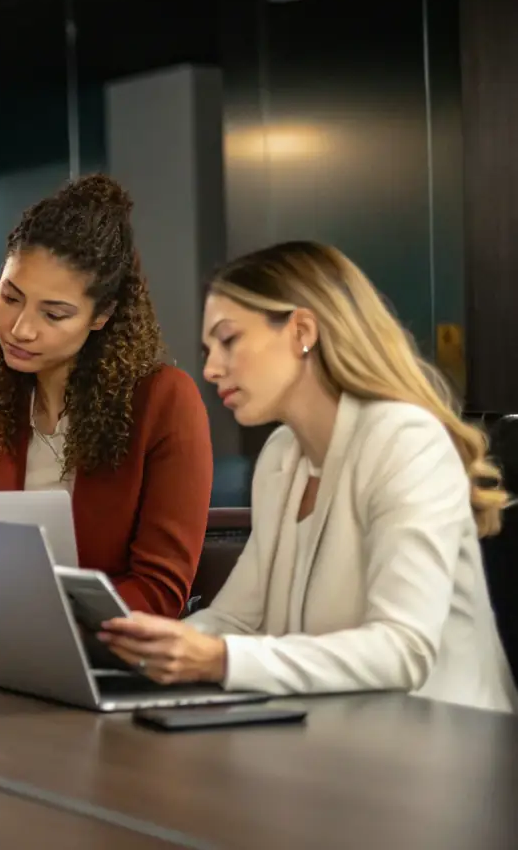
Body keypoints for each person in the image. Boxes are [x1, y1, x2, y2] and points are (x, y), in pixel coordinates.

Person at [100, 241, 517, 713]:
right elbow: (237, 619)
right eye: (208, 349)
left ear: (301, 330)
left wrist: (219, 659)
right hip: (338, 735)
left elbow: (405, 651)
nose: (211, 369)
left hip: (445, 746)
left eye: (229, 339)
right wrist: (132, 652)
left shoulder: (406, 440)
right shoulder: (283, 457)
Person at [0, 175, 212, 618]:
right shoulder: (0, 396)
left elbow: (160, 590)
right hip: (8, 641)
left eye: (54, 313)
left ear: (101, 316)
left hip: (110, 657)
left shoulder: (164, 401)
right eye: (11, 296)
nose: (21, 328)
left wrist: (45, 617)